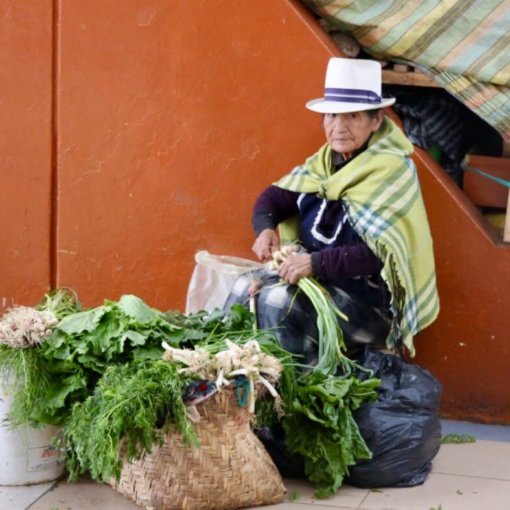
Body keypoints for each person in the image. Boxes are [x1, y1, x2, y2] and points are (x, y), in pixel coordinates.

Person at [227, 57, 439, 361]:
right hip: (319, 282)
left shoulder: (391, 171)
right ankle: (230, 380)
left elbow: (383, 252)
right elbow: (273, 199)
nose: (338, 128)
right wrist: (265, 229)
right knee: (244, 288)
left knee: (277, 302)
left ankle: (288, 393)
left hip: (367, 307)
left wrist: (316, 263)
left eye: (352, 116)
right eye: (331, 116)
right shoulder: (324, 164)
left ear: (376, 120)